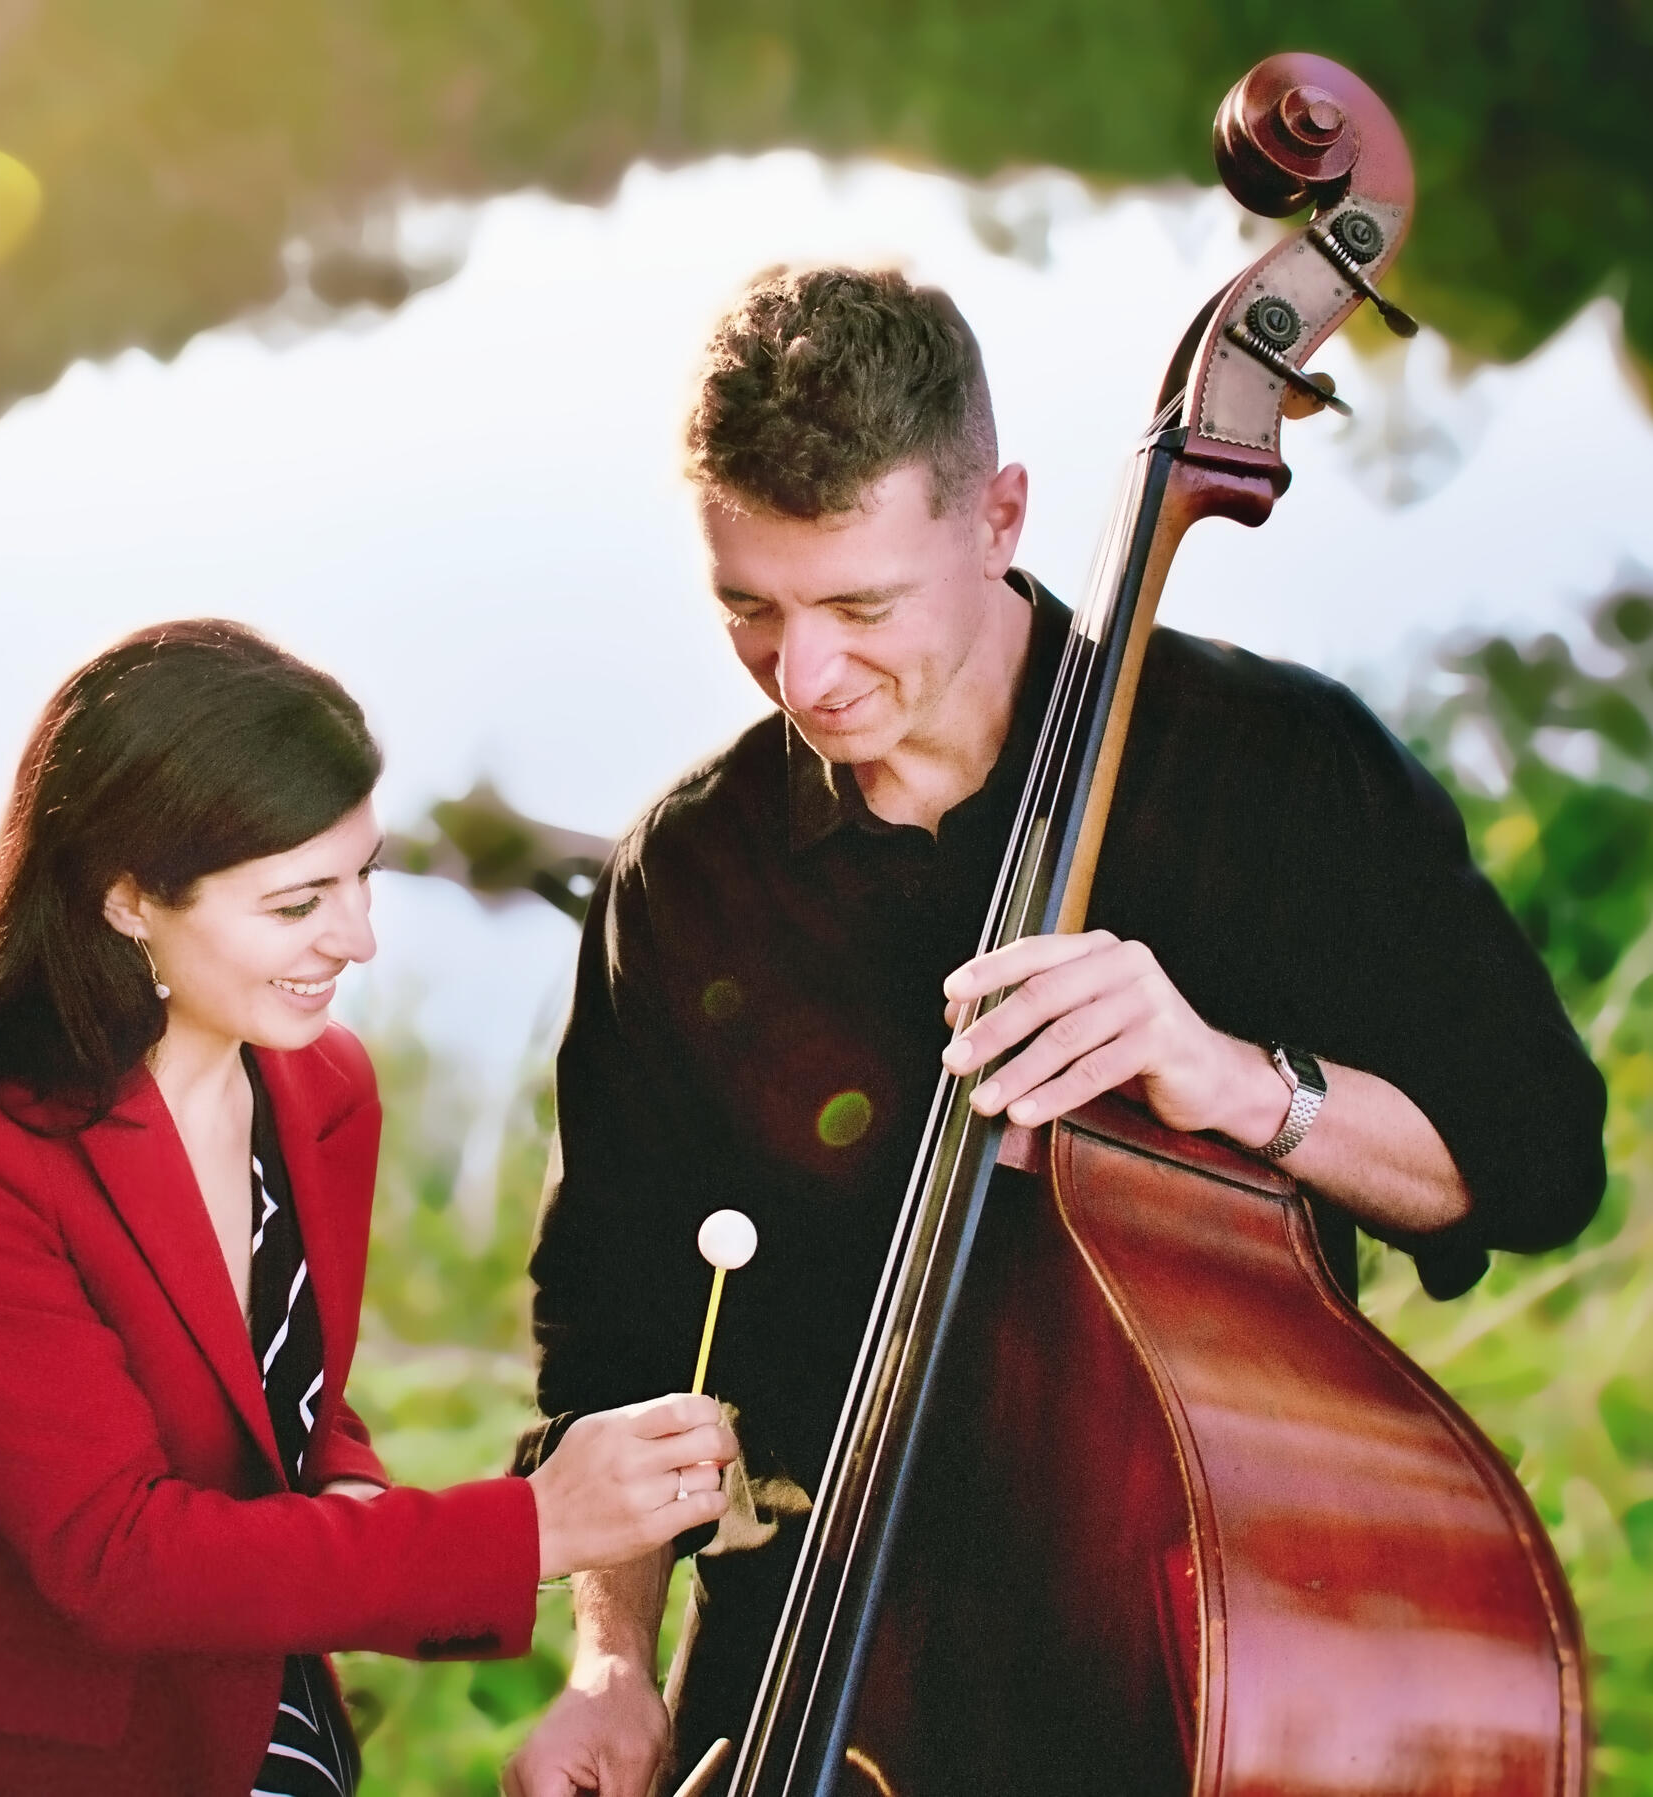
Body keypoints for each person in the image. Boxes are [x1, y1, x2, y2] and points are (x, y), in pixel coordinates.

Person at [504, 267, 1608, 1797]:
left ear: (1000, 518)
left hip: (1180, 1673)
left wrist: (1233, 1083)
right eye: (750, 608)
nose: (805, 676)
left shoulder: (1278, 774)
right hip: (806, 1675)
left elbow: (1533, 1162)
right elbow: (614, 1335)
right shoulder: (691, 875)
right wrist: (613, 1667)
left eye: (861, 607)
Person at [0, 620, 737, 1797]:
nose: (359, 939)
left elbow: (284, 1412)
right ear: (128, 897)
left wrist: (362, 1513)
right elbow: (117, 1560)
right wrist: (531, 1526)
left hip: (251, 1731)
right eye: (297, 903)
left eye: (363, 873)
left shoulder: (320, 1089)